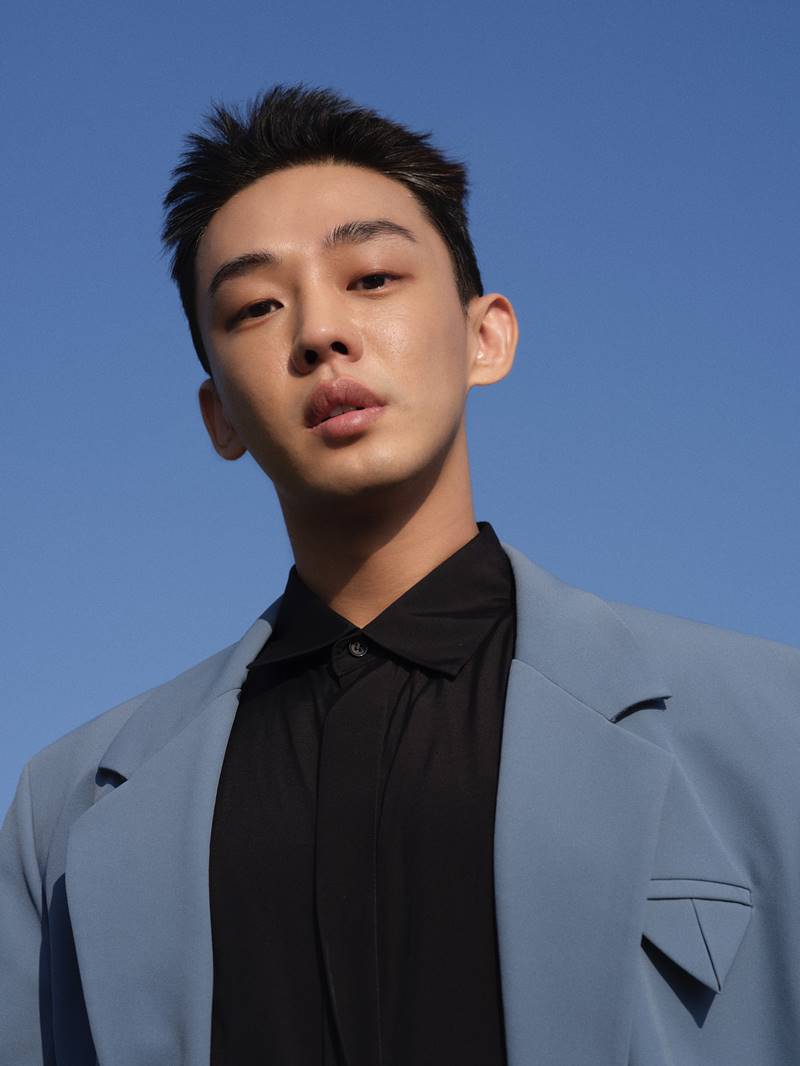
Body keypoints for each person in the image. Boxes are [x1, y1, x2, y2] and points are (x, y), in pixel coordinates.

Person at [1, 84, 798, 1066]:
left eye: (371, 277)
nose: (318, 333)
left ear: (484, 336)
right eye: (254, 306)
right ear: (219, 417)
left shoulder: (770, 725)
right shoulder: (65, 815)